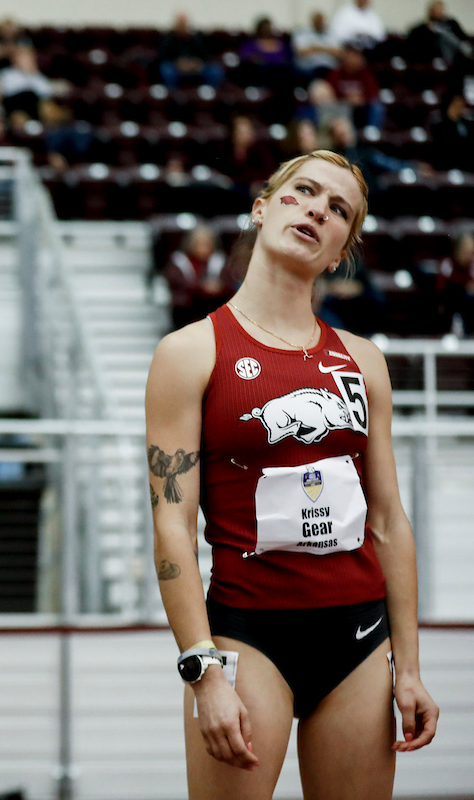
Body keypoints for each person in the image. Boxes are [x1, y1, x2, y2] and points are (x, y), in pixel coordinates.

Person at [146, 150, 438, 800]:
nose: (317, 210)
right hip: (248, 634)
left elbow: (389, 520)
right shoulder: (189, 352)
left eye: (338, 211)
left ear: (339, 252)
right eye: (303, 191)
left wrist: (410, 669)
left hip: (360, 638)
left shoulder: (363, 363)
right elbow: (171, 524)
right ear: (262, 207)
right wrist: (203, 671)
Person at [163, 224, 231, 330]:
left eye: (207, 244)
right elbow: (176, 285)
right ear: (191, 244)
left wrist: (218, 287)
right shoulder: (180, 262)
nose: (203, 248)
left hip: (213, 312)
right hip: (187, 315)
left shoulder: (219, 261)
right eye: (199, 244)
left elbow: (229, 283)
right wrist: (201, 287)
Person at [158, 13, 224, 90]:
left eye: (184, 24)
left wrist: (196, 63)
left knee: (215, 71)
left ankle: (208, 93)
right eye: (180, 24)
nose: (183, 27)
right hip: (175, 66)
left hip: (195, 66)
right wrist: (178, 63)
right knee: (166, 70)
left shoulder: (196, 38)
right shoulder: (168, 38)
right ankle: (173, 94)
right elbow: (163, 56)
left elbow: (205, 55)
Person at [406, 1, 471, 68]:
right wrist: (430, 30)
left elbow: (463, 36)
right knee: (443, 36)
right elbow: (413, 37)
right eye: (437, 10)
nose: (440, 12)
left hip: (454, 52)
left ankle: (461, 49)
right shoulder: (425, 27)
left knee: (446, 35)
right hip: (438, 53)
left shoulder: (451, 23)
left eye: (441, 9)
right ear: (431, 12)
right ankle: (461, 47)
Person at [293, 11, 343, 81]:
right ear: (312, 21)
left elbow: (339, 53)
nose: (319, 22)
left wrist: (315, 48)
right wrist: (327, 49)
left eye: (321, 20)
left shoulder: (332, 34)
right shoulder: (302, 34)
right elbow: (302, 52)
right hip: (309, 67)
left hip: (328, 67)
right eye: (317, 20)